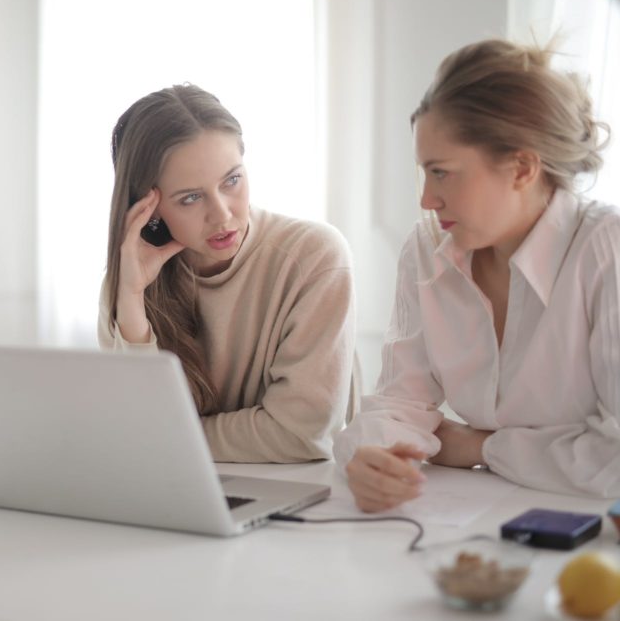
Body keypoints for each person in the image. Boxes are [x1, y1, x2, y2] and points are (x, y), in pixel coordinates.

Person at [335, 39, 620, 511]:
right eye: (424, 173)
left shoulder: (606, 250)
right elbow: (400, 402)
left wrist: (484, 447)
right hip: (478, 517)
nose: (427, 198)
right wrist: (373, 455)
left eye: (442, 173)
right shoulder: (427, 249)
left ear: (522, 167)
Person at [98, 84, 356, 463]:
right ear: (148, 209)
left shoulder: (314, 256)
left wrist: (171, 436)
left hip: (303, 493)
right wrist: (132, 301)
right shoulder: (131, 280)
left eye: (232, 181)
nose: (222, 214)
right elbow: (135, 427)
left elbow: (301, 434)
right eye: (190, 197)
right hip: (181, 489)